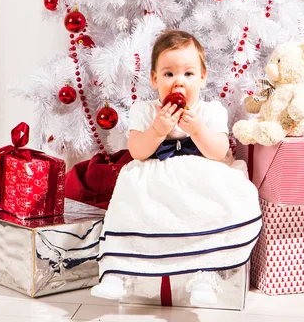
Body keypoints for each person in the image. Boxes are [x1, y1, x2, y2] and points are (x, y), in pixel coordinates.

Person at [91, 30, 262, 306]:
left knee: (210, 209)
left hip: (201, 175)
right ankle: (120, 272)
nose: (178, 82)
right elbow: (137, 151)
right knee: (129, 202)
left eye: (188, 74)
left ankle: (204, 273)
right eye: (169, 74)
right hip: (154, 174)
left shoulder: (210, 111)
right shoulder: (145, 110)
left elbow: (218, 152)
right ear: (154, 78)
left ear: (203, 77)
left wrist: (197, 129)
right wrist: (158, 129)